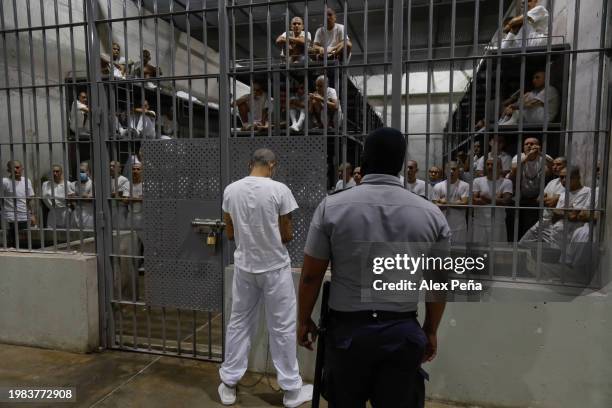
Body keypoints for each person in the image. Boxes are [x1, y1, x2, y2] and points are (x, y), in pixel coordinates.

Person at [297, 127, 449, 407]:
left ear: (364, 159)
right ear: (401, 164)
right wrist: (429, 329)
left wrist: (303, 319)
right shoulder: (431, 214)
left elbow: (310, 276)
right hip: (402, 332)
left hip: (348, 336)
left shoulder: (332, 207)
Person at [218, 148, 312, 407]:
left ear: (251, 164)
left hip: (245, 267)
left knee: (239, 324)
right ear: (272, 165)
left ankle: (229, 384)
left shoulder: (231, 189)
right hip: (274, 268)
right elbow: (287, 234)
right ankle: (292, 391)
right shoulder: (280, 190)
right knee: (281, 327)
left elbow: (228, 231)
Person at [508, 137, 553, 238]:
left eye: (532, 144)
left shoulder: (544, 157)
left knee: (532, 225)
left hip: (537, 197)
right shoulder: (519, 156)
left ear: (538, 146)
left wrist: (540, 153)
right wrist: (528, 157)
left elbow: (553, 168)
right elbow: (514, 169)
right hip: (520, 196)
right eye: (526, 144)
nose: (529, 146)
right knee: (516, 225)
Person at [518, 156, 566, 243]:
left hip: (555, 223)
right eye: (554, 165)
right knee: (523, 243)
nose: (555, 167)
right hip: (543, 221)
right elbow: (539, 199)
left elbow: (550, 202)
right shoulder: (552, 182)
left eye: (558, 164)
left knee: (552, 252)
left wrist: (549, 200)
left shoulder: (568, 185)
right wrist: (552, 200)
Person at [472, 158, 513, 243]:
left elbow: (506, 202)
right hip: (479, 223)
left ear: (500, 167)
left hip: (497, 224)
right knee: (479, 252)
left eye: (493, 164)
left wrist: (485, 197)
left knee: (497, 252)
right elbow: (473, 201)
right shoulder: (477, 181)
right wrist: (496, 199)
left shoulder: (506, 182)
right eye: (487, 164)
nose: (490, 167)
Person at [431, 162, 470, 244]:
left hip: (459, 226)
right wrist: (457, 202)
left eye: (454, 169)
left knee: (459, 253)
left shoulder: (465, 186)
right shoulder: (438, 186)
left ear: (458, 171)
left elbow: (464, 204)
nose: (451, 171)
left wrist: (445, 202)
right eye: (449, 169)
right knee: (443, 254)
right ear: (445, 171)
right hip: (442, 226)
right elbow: (434, 206)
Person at [1, 160, 36, 248]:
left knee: (26, 243)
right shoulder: (4, 182)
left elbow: (29, 200)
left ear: (22, 168)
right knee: (12, 243)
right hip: (10, 218)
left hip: (24, 216)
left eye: (17, 167)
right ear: (8, 170)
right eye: (12, 168)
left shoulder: (26, 180)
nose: (15, 170)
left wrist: (32, 215)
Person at [42, 164, 73, 229]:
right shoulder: (46, 184)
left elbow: (71, 198)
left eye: (57, 171)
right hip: (52, 211)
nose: (55, 173)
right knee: (52, 233)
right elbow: (44, 198)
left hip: (65, 211)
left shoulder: (68, 184)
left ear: (61, 172)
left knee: (68, 232)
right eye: (53, 171)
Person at [69, 161, 94, 230]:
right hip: (76, 213)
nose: (80, 173)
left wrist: (77, 196)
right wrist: (84, 196)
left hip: (89, 213)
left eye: (83, 171)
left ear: (88, 172)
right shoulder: (73, 184)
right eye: (79, 171)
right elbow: (71, 199)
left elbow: (90, 199)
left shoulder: (93, 184)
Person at [110, 161, 130, 230]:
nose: (111, 168)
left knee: (120, 230)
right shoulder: (107, 179)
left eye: (114, 166)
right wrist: (114, 193)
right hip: (109, 208)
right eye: (110, 166)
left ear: (119, 169)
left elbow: (122, 194)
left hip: (120, 209)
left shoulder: (123, 179)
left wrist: (112, 194)